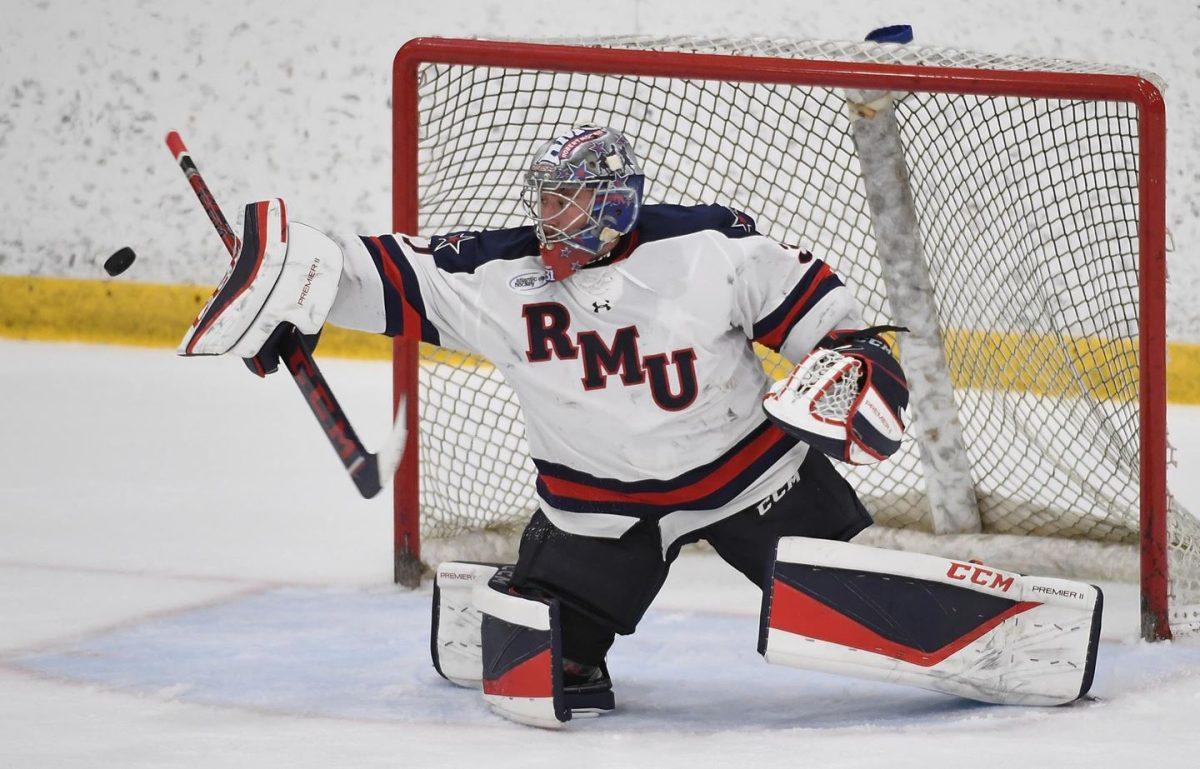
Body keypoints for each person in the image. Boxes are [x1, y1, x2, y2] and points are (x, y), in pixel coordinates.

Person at [180, 123, 911, 721]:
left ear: (616, 203)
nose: (549, 216)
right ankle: (544, 605)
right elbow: (370, 272)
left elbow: (828, 319)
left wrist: (856, 365)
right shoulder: (500, 274)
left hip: (754, 480)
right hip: (598, 512)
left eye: (568, 199)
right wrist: (290, 291)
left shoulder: (710, 248)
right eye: (547, 198)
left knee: (878, 614)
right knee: (541, 673)